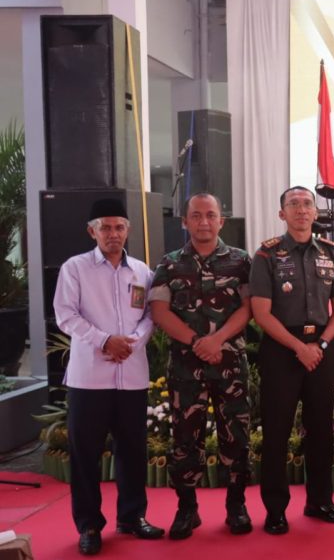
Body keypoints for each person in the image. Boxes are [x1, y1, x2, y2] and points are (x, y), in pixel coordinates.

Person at [53, 198, 165, 556]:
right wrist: (105, 341)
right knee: (85, 454)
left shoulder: (142, 271)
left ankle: (132, 517)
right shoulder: (75, 268)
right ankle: (89, 525)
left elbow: (151, 315)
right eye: (105, 227)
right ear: (92, 232)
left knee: (132, 450)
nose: (113, 234)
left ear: (127, 230)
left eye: (119, 227)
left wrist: (132, 342)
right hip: (90, 379)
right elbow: (65, 315)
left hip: (131, 375)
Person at [149, 193, 253, 539]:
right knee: (185, 438)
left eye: (210, 215)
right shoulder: (169, 264)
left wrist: (217, 339)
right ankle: (187, 509)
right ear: (185, 221)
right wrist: (198, 342)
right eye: (196, 215)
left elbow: (249, 308)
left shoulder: (240, 261)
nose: (204, 221)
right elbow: (160, 312)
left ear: (221, 220)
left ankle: (236, 506)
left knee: (235, 435)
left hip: (229, 364)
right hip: (185, 368)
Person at [249, 186, 334, 534]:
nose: (301, 209)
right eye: (293, 204)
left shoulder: (330, 253)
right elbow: (261, 313)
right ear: (282, 213)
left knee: (321, 429)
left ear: (315, 212)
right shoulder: (266, 255)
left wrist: (319, 344)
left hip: (321, 347)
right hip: (282, 348)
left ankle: (320, 501)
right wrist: (299, 347)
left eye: (307, 204)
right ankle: (275, 510)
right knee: (277, 431)